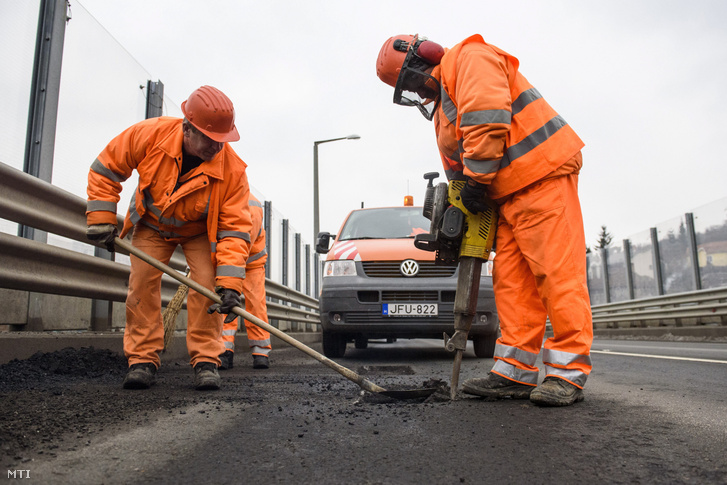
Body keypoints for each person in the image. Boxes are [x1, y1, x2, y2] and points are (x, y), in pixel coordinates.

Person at [376, 34, 593, 406]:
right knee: (512, 282)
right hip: (503, 194)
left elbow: (487, 118)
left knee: (556, 274)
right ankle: (515, 373)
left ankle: (567, 374)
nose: (417, 91)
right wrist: (461, 201)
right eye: (408, 89)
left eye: (412, 80)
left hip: (540, 175)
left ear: (423, 58)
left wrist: (475, 180)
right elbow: (455, 168)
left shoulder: (468, 58)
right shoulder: (442, 107)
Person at [85, 85, 252, 391]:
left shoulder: (232, 171)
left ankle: (206, 361)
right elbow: (105, 169)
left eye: (222, 141)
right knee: (142, 285)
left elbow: (235, 230)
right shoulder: (150, 135)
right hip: (153, 225)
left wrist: (229, 284)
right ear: (187, 128)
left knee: (207, 289)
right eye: (211, 139)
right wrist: (101, 218)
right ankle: (142, 360)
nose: (218, 147)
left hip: (199, 232)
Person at [219, 193, 272, 370]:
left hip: (250, 261)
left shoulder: (248, 203)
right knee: (227, 302)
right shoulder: (227, 197)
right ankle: (224, 350)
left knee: (252, 304)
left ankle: (260, 352)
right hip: (232, 258)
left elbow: (241, 239)